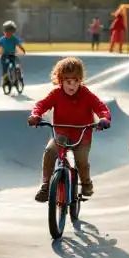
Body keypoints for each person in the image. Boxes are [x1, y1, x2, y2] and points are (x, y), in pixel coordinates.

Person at [27, 56, 111, 202]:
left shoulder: (85, 93)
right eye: (68, 82)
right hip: (61, 132)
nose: (72, 86)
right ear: (60, 80)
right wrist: (35, 115)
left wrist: (104, 118)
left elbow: (101, 107)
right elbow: (41, 104)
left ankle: (86, 183)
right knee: (50, 152)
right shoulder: (56, 94)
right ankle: (46, 185)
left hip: (82, 134)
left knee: (81, 161)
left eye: (76, 81)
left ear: (81, 80)